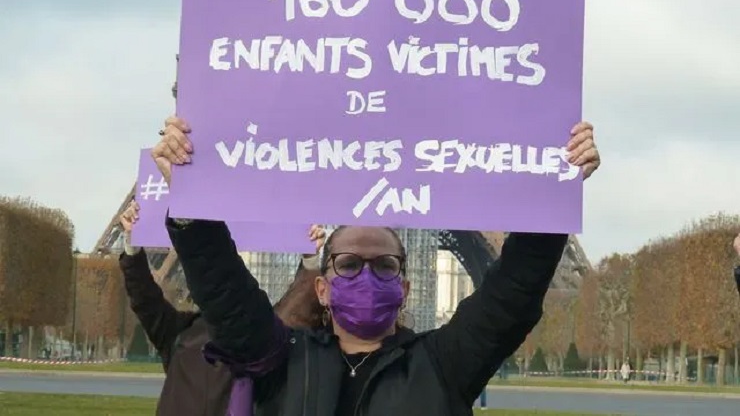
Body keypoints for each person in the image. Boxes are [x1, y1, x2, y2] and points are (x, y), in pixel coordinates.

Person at [153, 116, 601, 416]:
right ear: (322, 287)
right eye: (348, 264)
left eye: (384, 265)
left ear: (404, 286)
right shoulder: (282, 357)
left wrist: (555, 190)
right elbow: (226, 292)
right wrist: (190, 198)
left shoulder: (444, 363)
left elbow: (512, 296)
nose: (366, 275)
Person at [118, 199, 324, 416]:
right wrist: (132, 246)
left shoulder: (261, 336)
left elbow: (297, 310)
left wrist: (310, 262)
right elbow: (145, 299)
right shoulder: (179, 331)